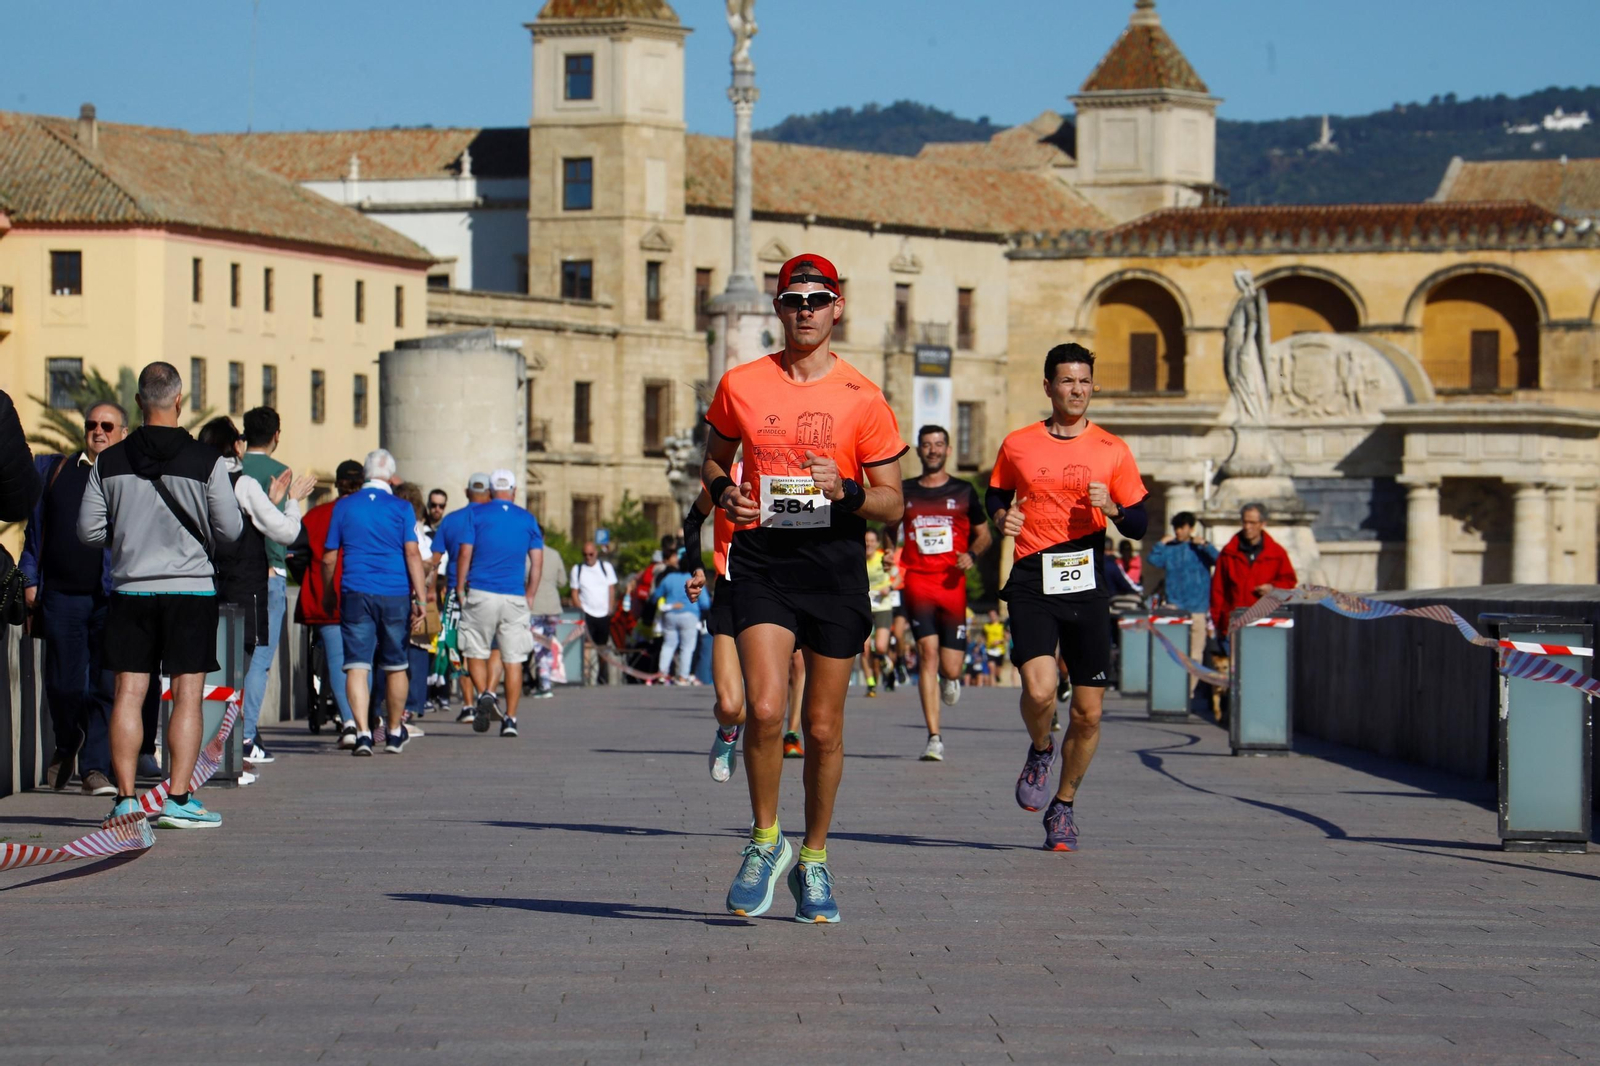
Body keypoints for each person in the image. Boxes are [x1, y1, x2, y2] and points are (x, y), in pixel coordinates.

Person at [702, 251, 907, 923]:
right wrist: (725, 494)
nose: (806, 311)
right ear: (778, 307)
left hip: (835, 568)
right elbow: (714, 459)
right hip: (763, 560)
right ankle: (765, 841)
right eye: (794, 301)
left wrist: (845, 491)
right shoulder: (741, 384)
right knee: (764, 710)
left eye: (818, 300)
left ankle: (814, 857)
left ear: (838, 307)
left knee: (820, 727)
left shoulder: (863, 398)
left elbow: (892, 503)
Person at [987, 343, 1149, 853]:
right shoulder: (1018, 444)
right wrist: (1001, 518)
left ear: (1092, 386)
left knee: (1088, 713)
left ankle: (1064, 805)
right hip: (1034, 574)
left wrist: (1116, 511)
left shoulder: (1112, 449)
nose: (1076, 391)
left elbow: (1141, 523)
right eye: (1066, 382)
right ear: (1048, 387)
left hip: (1085, 577)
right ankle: (1040, 747)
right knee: (1039, 691)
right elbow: (997, 492)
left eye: (1084, 382)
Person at [77, 361, 243, 829]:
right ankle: (178, 797)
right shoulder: (205, 461)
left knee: (129, 692)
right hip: (191, 590)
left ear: (137, 403)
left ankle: (126, 799)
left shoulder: (108, 462)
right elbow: (230, 529)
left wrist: (127, 534)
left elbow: (88, 531)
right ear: (179, 401)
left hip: (131, 589)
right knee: (186, 695)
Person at [197, 416, 314, 783]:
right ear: (236, 446)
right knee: (241, 669)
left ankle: (205, 754)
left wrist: (271, 500)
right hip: (243, 586)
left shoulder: (195, 479)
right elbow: (285, 530)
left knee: (202, 673)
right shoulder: (243, 481)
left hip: (201, 584)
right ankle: (232, 751)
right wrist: (291, 503)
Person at [21, 400, 127, 796]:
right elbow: (34, 532)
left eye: (108, 426)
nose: (99, 431)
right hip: (60, 597)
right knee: (63, 686)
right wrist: (29, 578)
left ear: (123, 434)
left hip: (110, 597)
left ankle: (95, 769)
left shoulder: (128, 479)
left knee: (104, 686)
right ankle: (68, 741)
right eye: (92, 425)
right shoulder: (56, 471)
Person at [321, 449, 429, 756]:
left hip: (355, 590)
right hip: (394, 593)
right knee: (396, 664)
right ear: (391, 477)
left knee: (356, 665)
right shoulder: (402, 508)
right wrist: (420, 598)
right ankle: (394, 732)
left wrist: (330, 593)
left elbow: (329, 558)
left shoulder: (344, 507)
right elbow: (412, 554)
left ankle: (364, 734)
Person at [896, 424, 993, 761]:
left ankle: (951, 680)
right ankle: (934, 736)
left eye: (939, 444)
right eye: (927, 445)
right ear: (919, 450)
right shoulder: (905, 490)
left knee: (950, 668)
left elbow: (985, 535)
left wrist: (973, 554)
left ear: (948, 450)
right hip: (918, 581)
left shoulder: (964, 491)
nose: (933, 450)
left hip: (953, 584)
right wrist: (886, 555)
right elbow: (887, 527)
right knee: (927, 654)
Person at [456, 469, 543, 737]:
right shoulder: (527, 519)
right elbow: (537, 561)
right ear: (514, 491)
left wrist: (460, 587)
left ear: (491, 492)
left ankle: (485, 694)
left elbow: (465, 553)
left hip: (481, 591)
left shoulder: (476, 514)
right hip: (514, 594)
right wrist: (530, 592)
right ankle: (511, 720)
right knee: (513, 659)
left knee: (474, 651)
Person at [294, 459, 365, 748]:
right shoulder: (368, 513)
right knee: (362, 662)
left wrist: (310, 580)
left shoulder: (316, 515)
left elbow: (296, 555)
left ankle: (348, 721)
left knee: (337, 662)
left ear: (336, 484)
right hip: (363, 594)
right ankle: (363, 723)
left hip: (326, 597)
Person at [237, 406, 292, 766]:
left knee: (233, 658)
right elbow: (279, 528)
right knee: (260, 660)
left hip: (231, 574)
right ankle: (246, 734)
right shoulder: (279, 474)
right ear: (276, 435)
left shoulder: (234, 469)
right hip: (269, 571)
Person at [431, 473, 494, 719]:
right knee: (485, 647)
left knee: (458, 647)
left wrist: (428, 592)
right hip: (487, 589)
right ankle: (486, 694)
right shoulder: (495, 520)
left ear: (467, 492)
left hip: (456, 592)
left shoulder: (451, 520)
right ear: (489, 494)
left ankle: (468, 704)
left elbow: (434, 562)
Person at [1147, 511, 1220, 712]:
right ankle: (1176, 690)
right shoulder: (1170, 548)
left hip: (1197, 607)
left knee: (1196, 653)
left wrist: (1205, 544)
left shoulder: (1200, 548)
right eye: (1176, 528)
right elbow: (1153, 560)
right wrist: (1161, 543)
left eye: (1182, 527)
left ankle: (1187, 693)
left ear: (1191, 528)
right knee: (1175, 652)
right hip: (1174, 608)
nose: (1179, 532)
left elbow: (1219, 560)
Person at [1210, 503, 1297, 644]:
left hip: (1266, 624)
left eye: (1252, 523)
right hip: (1234, 624)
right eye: (1244, 522)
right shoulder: (1228, 553)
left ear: (1262, 524)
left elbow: (1289, 583)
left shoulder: (1276, 553)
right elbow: (1218, 590)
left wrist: (1273, 589)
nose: (1247, 527)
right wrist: (1217, 623)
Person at [526, 537, 567, 699]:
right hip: (552, 606)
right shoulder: (555, 554)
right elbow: (562, 581)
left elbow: (522, 579)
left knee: (539, 647)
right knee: (549, 644)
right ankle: (547, 679)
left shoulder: (526, 555)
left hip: (535, 605)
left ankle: (544, 683)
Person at [570, 541, 617, 684]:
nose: (588, 557)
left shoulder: (605, 567)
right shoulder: (577, 569)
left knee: (602, 646)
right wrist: (580, 609)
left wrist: (610, 607)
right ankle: (586, 675)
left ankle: (601, 675)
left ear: (596, 553)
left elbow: (611, 588)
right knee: (586, 645)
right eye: (585, 555)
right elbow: (574, 592)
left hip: (603, 613)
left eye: (590, 554)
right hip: (587, 613)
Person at [654, 554, 700, 684]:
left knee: (669, 644)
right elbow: (705, 603)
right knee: (687, 647)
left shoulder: (669, 578)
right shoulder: (693, 579)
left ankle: (662, 674)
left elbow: (656, 595)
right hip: (689, 615)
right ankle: (683, 676)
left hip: (670, 614)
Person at [861, 529, 893, 697]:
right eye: (866, 541)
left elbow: (899, 576)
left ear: (877, 543)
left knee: (880, 647)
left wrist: (890, 587)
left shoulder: (883, 558)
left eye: (872, 541)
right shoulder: (858, 559)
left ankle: (884, 659)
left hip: (883, 606)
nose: (869, 544)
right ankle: (871, 684)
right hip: (865, 606)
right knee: (864, 648)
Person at [982, 609, 1008, 687]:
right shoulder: (986, 626)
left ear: (997, 615)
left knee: (997, 670)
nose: (992, 617)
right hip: (990, 650)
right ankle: (993, 686)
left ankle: (997, 677)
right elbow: (983, 637)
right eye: (990, 615)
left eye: (994, 615)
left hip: (1000, 650)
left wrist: (999, 641)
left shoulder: (1002, 625)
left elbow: (1006, 637)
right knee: (991, 667)